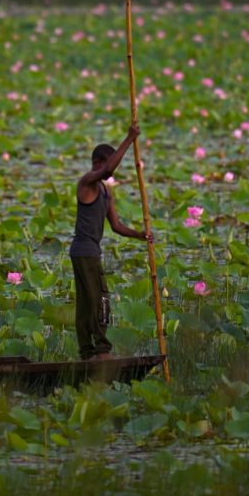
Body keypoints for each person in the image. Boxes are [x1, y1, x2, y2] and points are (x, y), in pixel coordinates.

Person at [69, 124, 151, 360]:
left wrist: (140, 235)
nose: (111, 171)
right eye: (107, 164)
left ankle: (94, 351)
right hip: (83, 251)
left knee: (99, 299)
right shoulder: (87, 183)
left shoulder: (106, 192)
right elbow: (107, 171)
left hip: (92, 251)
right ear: (96, 164)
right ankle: (96, 351)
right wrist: (130, 138)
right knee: (93, 301)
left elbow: (116, 226)